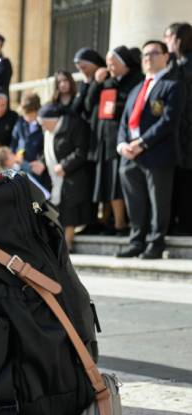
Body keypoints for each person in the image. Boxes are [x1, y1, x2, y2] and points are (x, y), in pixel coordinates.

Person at [116, 40, 186, 259]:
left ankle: (156, 243)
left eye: (154, 53)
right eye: (145, 54)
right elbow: (125, 123)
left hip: (157, 153)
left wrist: (142, 143)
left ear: (166, 57)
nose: (148, 57)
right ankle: (136, 241)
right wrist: (122, 145)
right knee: (134, 202)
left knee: (159, 201)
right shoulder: (137, 88)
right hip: (129, 156)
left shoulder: (173, 85)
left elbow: (168, 121)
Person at [86, 46, 142, 236]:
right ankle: (110, 221)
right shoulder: (106, 80)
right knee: (106, 184)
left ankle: (121, 223)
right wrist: (96, 83)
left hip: (121, 140)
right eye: (108, 62)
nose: (109, 66)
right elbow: (89, 104)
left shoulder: (136, 79)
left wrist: (113, 106)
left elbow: (132, 106)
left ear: (124, 63)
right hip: (104, 139)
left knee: (117, 184)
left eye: (113, 63)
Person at [39, 103, 93, 250]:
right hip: (56, 176)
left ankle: (67, 244)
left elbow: (81, 150)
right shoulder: (49, 132)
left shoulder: (75, 126)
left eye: (44, 124)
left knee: (70, 212)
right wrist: (42, 163)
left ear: (53, 120)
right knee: (57, 211)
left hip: (74, 175)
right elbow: (48, 152)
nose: (43, 129)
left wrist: (65, 166)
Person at [164, 22, 192, 234]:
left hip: (187, 130)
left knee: (186, 179)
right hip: (177, 131)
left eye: (168, 37)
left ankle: (185, 223)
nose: (166, 42)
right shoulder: (173, 63)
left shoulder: (186, 64)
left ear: (178, 39)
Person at [12, 92, 46, 183]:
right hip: (20, 166)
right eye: (25, 114)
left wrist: (42, 161)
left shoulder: (43, 126)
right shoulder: (20, 122)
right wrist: (16, 155)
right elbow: (15, 141)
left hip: (37, 169)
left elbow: (46, 148)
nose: (27, 117)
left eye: (30, 114)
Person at [72, 47, 106, 122]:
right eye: (79, 69)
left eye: (84, 68)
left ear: (95, 65)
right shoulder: (85, 82)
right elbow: (75, 109)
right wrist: (85, 84)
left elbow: (90, 103)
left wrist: (96, 83)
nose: (82, 72)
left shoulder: (106, 79)